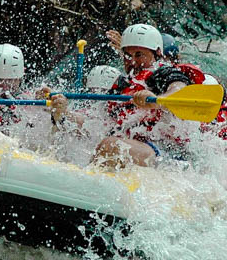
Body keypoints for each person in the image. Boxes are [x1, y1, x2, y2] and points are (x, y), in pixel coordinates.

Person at [51, 24, 192, 168]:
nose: (132, 61)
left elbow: (179, 89)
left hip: (167, 152)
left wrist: (156, 101)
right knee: (91, 136)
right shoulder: (123, 84)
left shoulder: (163, 73)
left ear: (157, 53)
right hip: (134, 145)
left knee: (111, 146)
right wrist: (62, 112)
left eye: (138, 55)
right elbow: (96, 122)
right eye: (127, 55)